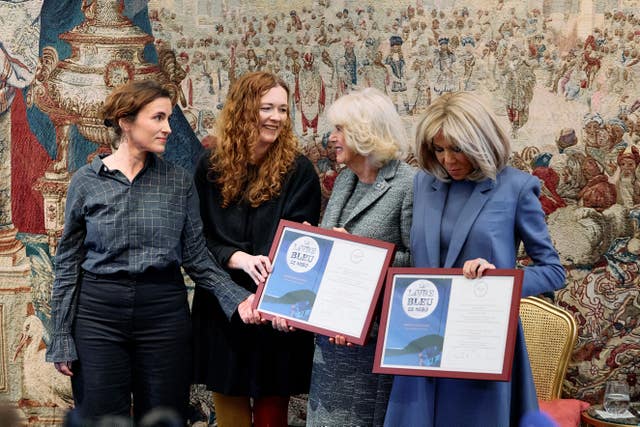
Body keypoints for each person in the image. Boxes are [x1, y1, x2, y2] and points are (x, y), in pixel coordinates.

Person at [45, 79, 253, 423]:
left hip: (163, 315)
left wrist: (238, 298)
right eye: (158, 118)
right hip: (98, 316)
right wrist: (62, 335)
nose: (168, 128)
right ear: (126, 121)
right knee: (100, 418)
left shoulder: (178, 181)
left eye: (168, 118)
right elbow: (67, 265)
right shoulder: (85, 181)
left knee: (164, 417)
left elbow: (197, 257)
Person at [384, 91, 566, 427]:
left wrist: (499, 280)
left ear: (481, 141)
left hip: (482, 339)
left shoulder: (516, 187)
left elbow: (553, 271)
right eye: (438, 149)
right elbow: (413, 257)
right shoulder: (424, 183)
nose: (447, 159)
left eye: (457, 148)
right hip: (421, 338)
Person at [191, 71, 321, 427]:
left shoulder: (299, 170)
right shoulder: (210, 166)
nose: (276, 117)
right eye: (267, 107)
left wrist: (274, 291)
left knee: (270, 410)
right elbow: (197, 239)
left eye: (282, 109)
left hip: (274, 306)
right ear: (245, 110)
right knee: (229, 405)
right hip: (223, 306)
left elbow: (300, 246)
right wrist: (238, 258)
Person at [306, 87, 415, 426]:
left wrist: (354, 252)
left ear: (366, 131)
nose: (332, 137)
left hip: (371, 341)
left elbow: (417, 263)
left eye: (340, 129)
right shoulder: (344, 180)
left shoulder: (408, 184)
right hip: (330, 340)